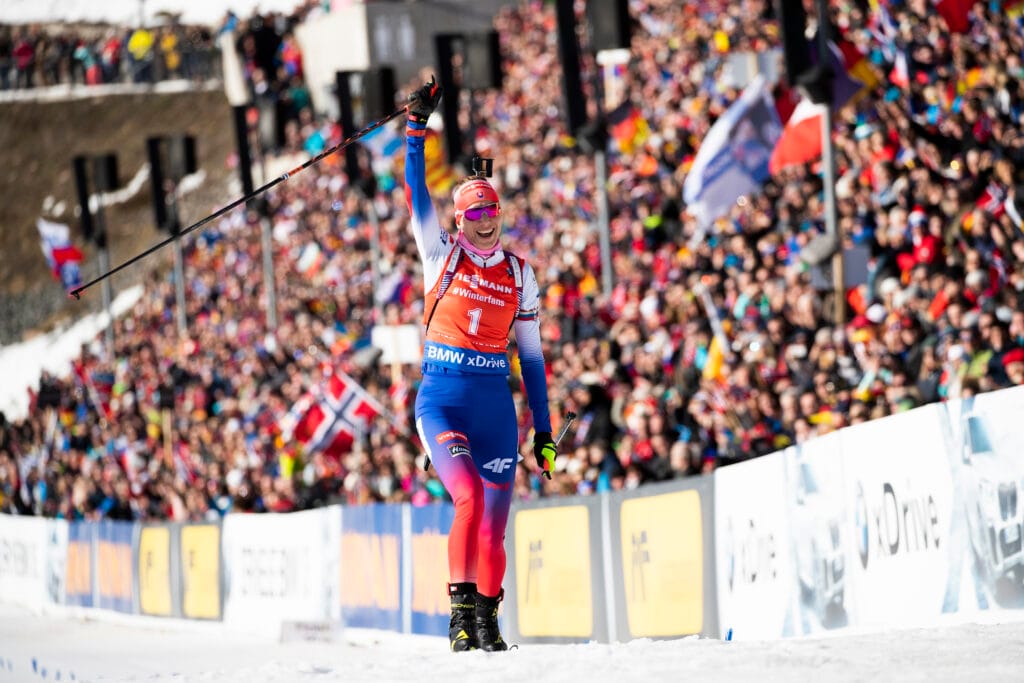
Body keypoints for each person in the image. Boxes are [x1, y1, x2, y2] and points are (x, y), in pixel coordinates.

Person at [404, 76, 558, 652]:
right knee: (466, 496)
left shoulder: (519, 273)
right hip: (442, 400)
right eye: (474, 214)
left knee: (494, 528)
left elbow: (533, 358)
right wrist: (416, 130)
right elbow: (416, 192)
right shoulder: (439, 253)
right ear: (459, 220)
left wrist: (544, 432)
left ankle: (489, 624)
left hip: (495, 407)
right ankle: (460, 618)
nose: (485, 221)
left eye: (491, 210)